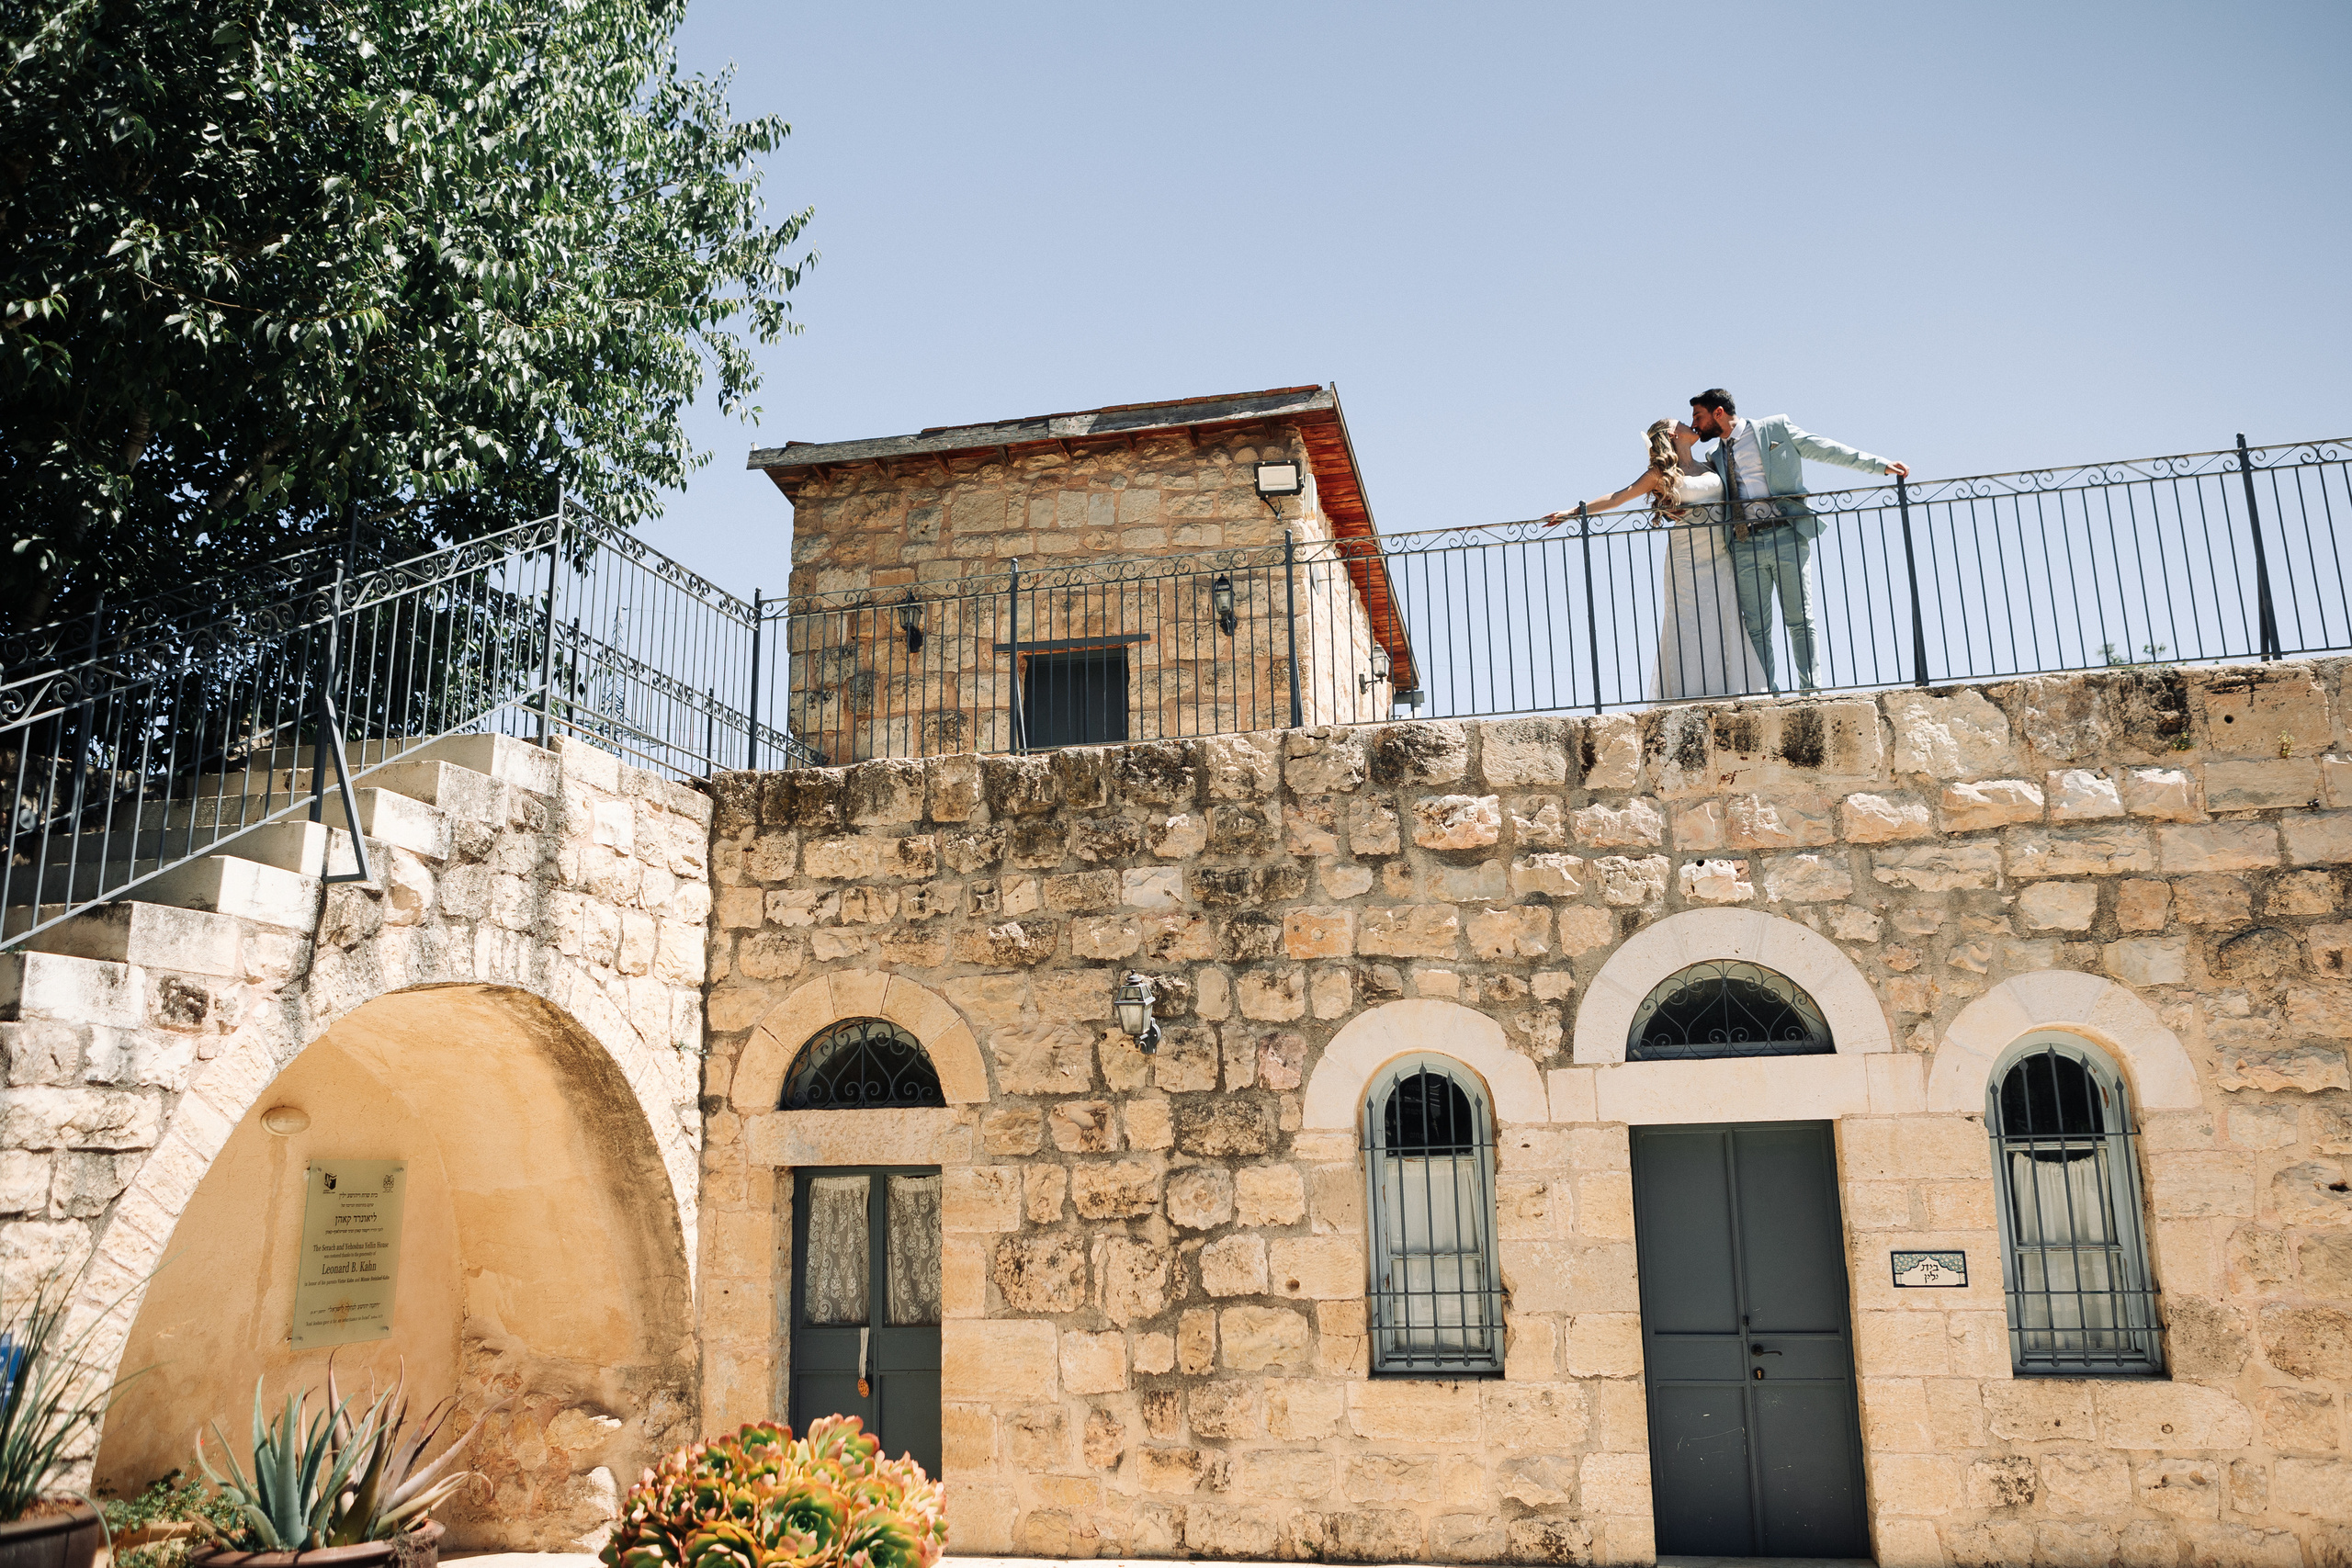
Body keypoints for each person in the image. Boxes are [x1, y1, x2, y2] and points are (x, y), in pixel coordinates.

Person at [1686, 388, 1907, 693]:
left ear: (1718, 413)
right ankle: (1764, 693)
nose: (1696, 424)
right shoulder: (1715, 457)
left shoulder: (1775, 429)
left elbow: (1823, 448)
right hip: (1743, 544)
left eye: (1699, 416)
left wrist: (1876, 464)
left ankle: (1811, 691)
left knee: (1800, 619)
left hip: (1786, 534)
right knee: (1755, 630)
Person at [1544, 420, 1766, 701]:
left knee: (1724, 616)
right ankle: (1690, 694)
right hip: (1685, 557)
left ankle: (1728, 690)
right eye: (1684, 423)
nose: (1692, 424)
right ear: (1673, 434)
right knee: (1688, 622)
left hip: (1720, 554)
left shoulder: (1713, 464)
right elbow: (1617, 498)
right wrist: (1573, 511)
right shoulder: (1661, 473)